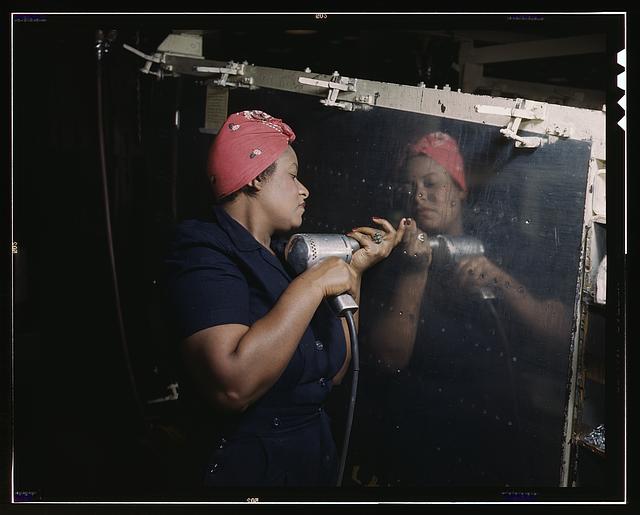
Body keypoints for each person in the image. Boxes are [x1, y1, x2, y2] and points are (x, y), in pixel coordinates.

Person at [164, 109, 406, 488]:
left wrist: (354, 273)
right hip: (246, 472)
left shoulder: (280, 257)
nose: (304, 189)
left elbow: (336, 371)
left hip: (309, 460)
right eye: (292, 176)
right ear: (257, 177)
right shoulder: (203, 252)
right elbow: (233, 386)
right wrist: (312, 286)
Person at [353, 131, 572, 486]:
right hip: (417, 439)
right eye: (409, 186)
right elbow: (388, 356)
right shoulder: (390, 257)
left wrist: (499, 279)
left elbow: (562, 336)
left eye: (432, 183)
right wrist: (415, 268)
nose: (419, 195)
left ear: (459, 189)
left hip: (494, 438)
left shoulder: (504, 242)